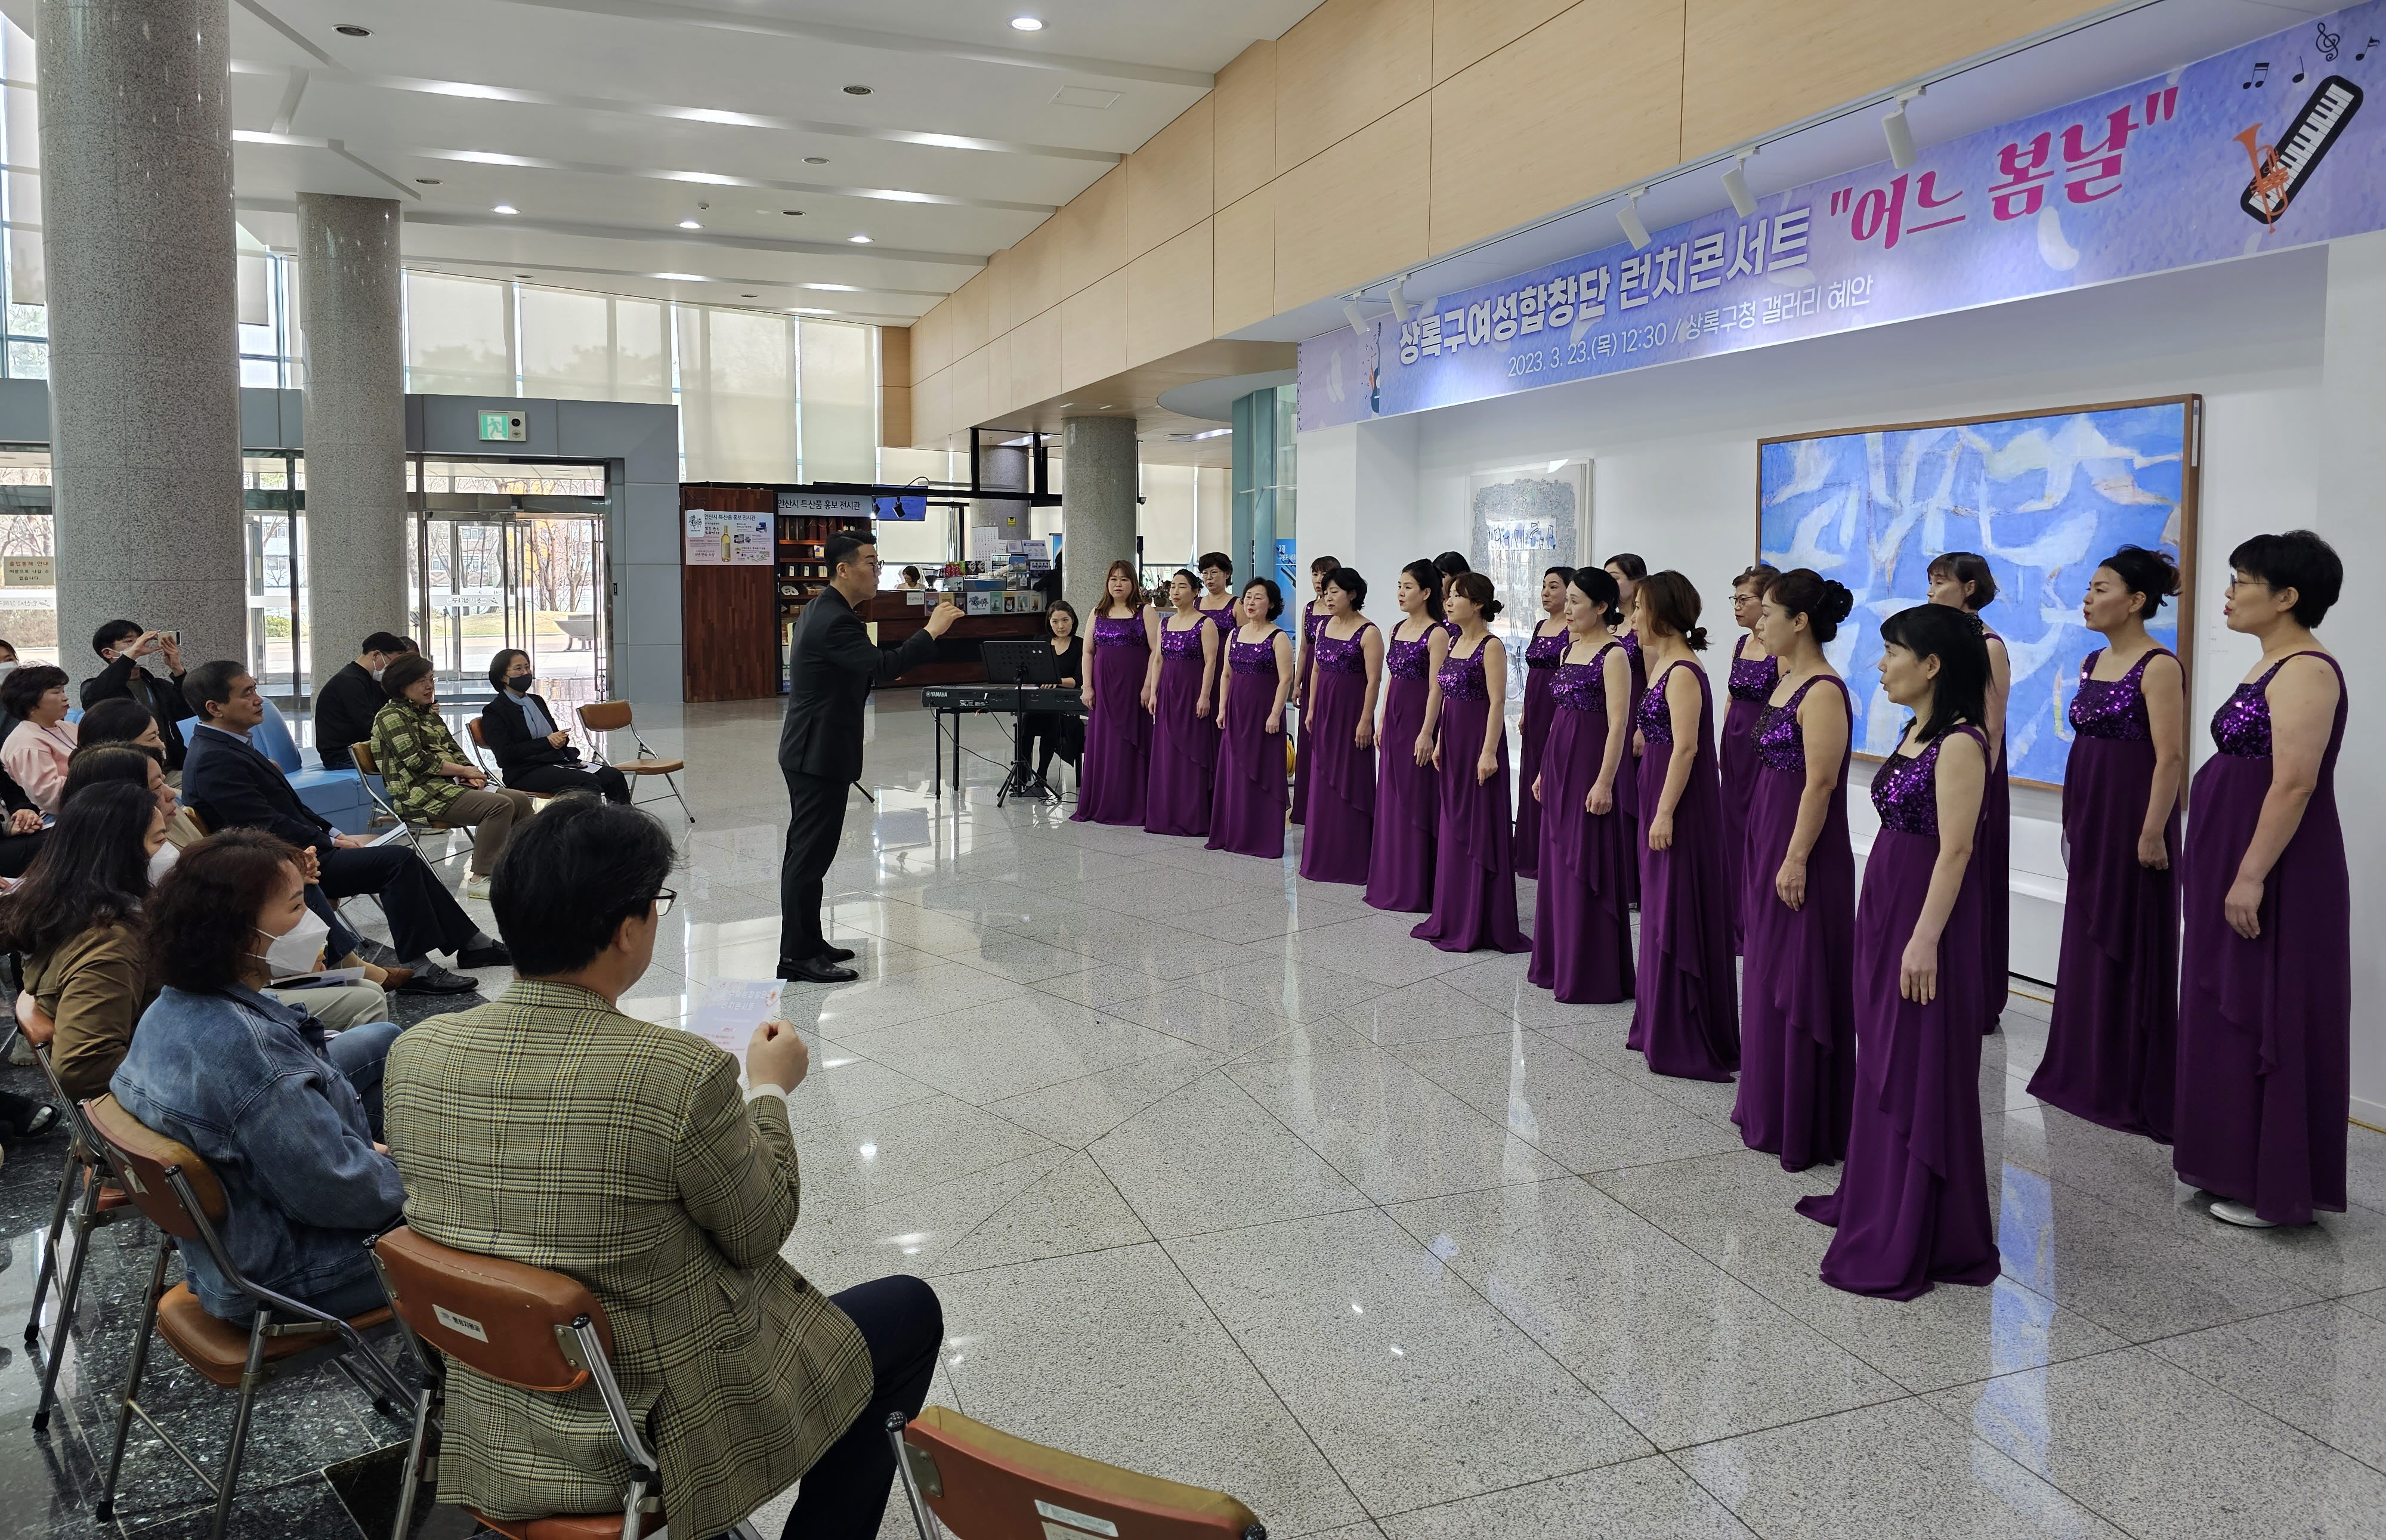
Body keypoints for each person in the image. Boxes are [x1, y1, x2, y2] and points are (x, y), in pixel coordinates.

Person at [384, 799, 943, 1540]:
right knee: (908, 1310)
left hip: (492, 1410)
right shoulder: (678, 1073)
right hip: (648, 1432)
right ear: (627, 928)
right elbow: (759, 1229)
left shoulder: (416, 1054)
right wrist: (769, 1088)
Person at [108, 828, 407, 1322]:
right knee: (512, 1215)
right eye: (295, 908)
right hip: (293, 1273)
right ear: (243, 934)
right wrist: (430, 1179)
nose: (313, 923)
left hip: (234, 1248)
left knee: (380, 1043)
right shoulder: (253, 1052)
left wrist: (347, 1149)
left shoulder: (175, 1002)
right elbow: (338, 1194)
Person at [1795, 604, 1996, 1300]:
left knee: (1917, 1056)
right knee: (1881, 1049)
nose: (1880, 664)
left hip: (1925, 918)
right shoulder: (1917, 732)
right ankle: (1876, 1195)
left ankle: (1921, 1221)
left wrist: (1924, 937)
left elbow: (1958, 849)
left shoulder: (1963, 742)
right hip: (1885, 903)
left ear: (1932, 664)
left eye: (1892, 652)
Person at [2174, 530, 2348, 1229]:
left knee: (2266, 1001)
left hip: (2277, 866)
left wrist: (2249, 875)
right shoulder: (2270, 663)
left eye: (2241, 578)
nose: (2228, 590)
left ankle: (2272, 1183)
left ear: (2286, 597)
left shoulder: (2307, 667)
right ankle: (2230, 1162)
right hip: (2238, 853)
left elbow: (2295, 781)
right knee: (2228, 1003)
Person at [181, 661, 499, 993]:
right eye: (247, 693)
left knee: (402, 860)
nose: (259, 699)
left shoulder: (230, 745)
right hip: (276, 863)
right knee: (396, 862)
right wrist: (328, 844)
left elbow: (292, 807)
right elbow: (262, 823)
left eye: (256, 688)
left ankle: (472, 943)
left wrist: (335, 835)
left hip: (295, 850)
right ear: (214, 707)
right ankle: (419, 967)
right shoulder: (214, 758)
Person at [2029, 547, 2185, 1142]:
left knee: (2130, 937)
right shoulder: (2094, 659)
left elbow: (2169, 755)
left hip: (2134, 819)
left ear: (2136, 600)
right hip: (2092, 815)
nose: (2087, 598)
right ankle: (2083, 1070)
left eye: (2099, 588)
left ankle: (2126, 1080)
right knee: (2089, 935)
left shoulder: (2158, 665)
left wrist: (2151, 829)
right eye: (2088, 588)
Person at [778, 531, 958, 982]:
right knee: (808, 857)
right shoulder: (835, 619)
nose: (878, 571)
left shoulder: (829, 610)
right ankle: (797, 956)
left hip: (815, 747)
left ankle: (808, 940)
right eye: (871, 562)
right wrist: (931, 631)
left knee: (810, 855)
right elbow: (883, 666)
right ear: (844, 569)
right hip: (816, 752)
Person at [1732, 570, 1856, 1170]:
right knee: (1765, 964)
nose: (1759, 621)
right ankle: (1767, 1097)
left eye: (1770, 612)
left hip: (1802, 844)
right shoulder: (1786, 681)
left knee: (1799, 971)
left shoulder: (1824, 689)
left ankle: (1805, 1114)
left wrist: (1796, 856)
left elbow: (1822, 781)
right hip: (1767, 829)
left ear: (1800, 620)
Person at [1627, 571, 1739, 1081]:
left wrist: (1666, 811)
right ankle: (1658, 1021)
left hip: (1680, 799)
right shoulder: (1662, 665)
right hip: (1657, 786)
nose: (1632, 618)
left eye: (1639, 609)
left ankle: (1685, 1030)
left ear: (1663, 614)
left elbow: (1689, 747)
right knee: (1657, 903)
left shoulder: (1684, 672)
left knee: (1675, 905)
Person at [5, 782, 160, 1100]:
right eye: (159, 840)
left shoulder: (64, 903)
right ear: (123, 851)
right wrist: (187, 1076)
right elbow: (84, 1068)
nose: (167, 849)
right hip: (149, 1103)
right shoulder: (110, 943)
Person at [1527, 567, 1634, 1003]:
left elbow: (1619, 724)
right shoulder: (1568, 650)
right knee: (1557, 860)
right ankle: (1557, 959)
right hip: (1559, 763)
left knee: (1585, 859)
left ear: (1602, 607)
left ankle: (1590, 969)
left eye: (1576, 601)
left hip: (1592, 766)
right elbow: (1557, 717)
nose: (1567, 609)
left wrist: (1606, 782)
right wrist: (1541, 770)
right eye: (1566, 599)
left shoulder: (1615, 655)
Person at [1413, 573, 1529, 954]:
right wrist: (1440, 740)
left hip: (1480, 745)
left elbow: (1498, 703)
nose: (1448, 602)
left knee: (1477, 827)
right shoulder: (1455, 641)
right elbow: (1446, 698)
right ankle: (1452, 913)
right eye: (1448, 596)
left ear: (1477, 604)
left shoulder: (1490, 646)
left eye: (1457, 597)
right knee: (1453, 824)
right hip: (1455, 744)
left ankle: (1481, 919)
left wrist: (1489, 752)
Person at [370, 655, 539, 902]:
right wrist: (463, 773)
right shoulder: (391, 716)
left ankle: (522, 866)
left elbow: (454, 751)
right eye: (421, 681)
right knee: (499, 806)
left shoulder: (427, 713)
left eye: (431, 679)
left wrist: (474, 774)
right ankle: (481, 877)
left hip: (450, 784)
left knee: (520, 800)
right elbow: (417, 761)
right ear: (402, 686)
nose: (430, 687)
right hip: (419, 793)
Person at [1926, 551, 2010, 1029]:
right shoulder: (1937, 638)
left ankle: (1975, 992)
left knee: (1969, 871)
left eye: (1941, 582)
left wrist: (1981, 796)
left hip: (1973, 774)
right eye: (1932, 582)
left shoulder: (1988, 645)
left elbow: (1991, 728)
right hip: (1933, 769)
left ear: (1970, 588)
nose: (1933, 590)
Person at [1365, 561, 1449, 915]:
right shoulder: (1397, 628)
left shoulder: (1439, 634)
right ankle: (1391, 880)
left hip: (1420, 720)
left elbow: (1437, 689)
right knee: (1392, 796)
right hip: (1396, 718)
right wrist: (1381, 719)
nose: (1400, 593)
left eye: (1408, 587)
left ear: (1426, 593)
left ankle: (1418, 886)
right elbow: (1390, 682)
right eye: (1399, 586)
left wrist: (1428, 732)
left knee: (1417, 798)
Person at [1298, 567, 1380, 885]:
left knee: (1351, 780)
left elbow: (1374, 680)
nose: (1328, 597)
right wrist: (1311, 708)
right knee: (1323, 779)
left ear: (1353, 595)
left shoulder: (1369, 632)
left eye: (1335, 592)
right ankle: (1324, 856)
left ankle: (1353, 859)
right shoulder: (1325, 626)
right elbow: (1316, 671)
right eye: (1326, 592)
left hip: (1352, 713)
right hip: (1325, 711)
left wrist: (1365, 720)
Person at [1206, 578, 1294, 859]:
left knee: (1262, 771)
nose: (1251, 602)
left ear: (1271, 604)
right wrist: (1222, 709)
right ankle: (1234, 833)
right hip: (1236, 710)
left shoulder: (1278, 637)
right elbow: (1226, 675)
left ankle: (1262, 838)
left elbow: (1286, 679)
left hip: (1264, 714)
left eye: (1258, 597)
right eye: (1248, 597)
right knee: (1235, 772)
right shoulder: (1235, 634)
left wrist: (1275, 714)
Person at [1719, 564, 1782, 951]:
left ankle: (1755, 920)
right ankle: (1731, 918)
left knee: (1759, 829)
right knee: (1733, 830)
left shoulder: (1781, 652)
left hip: (1764, 747)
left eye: (1746, 599)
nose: (1738, 607)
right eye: (1735, 599)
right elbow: (1730, 697)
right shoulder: (1741, 645)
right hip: (1735, 744)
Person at [480, 649, 632, 804]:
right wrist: (547, 742)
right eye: (518, 669)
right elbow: (505, 755)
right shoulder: (495, 711)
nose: (525, 673)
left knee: (614, 776)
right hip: (524, 771)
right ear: (502, 677)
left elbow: (553, 735)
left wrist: (560, 740)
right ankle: (590, 826)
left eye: (527, 667)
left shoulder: (536, 701)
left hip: (556, 761)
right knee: (588, 782)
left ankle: (625, 825)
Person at [1073, 559, 1158, 828]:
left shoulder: (1144, 612)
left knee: (1134, 745)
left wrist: (1149, 686)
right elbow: (1088, 652)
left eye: (1124, 579)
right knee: (1106, 746)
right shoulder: (1097, 612)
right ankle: (1105, 803)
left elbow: (1157, 652)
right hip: (1104, 690)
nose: (1118, 584)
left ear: (1133, 583)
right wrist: (1087, 686)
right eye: (1113, 580)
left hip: (1135, 690)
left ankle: (1136, 805)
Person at [1144, 573, 1219, 838]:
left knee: (1192, 752)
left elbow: (1211, 662)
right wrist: (1154, 693)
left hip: (1192, 693)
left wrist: (1205, 696)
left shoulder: (1206, 624)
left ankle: (1193, 817)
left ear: (1195, 592)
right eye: (1173, 586)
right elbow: (1158, 661)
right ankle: (1167, 815)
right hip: (1168, 692)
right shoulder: (1165, 624)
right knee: (1167, 753)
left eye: (1182, 587)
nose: (1175, 591)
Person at [1513, 565, 1573, 879]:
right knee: (1531, 772)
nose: (1546, 593)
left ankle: (1550, 851)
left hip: (1558, 705)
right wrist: (1524, 710)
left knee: (1552, 772)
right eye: (1544, 587)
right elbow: (1531, 675)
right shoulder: (1539, 626)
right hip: (1535, 704)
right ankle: (1527, 849)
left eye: (1554, 587)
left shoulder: (1573, 629)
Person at [82, 620, 194, 771]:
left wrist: (178, 670)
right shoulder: (95, 687)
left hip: (169, 768)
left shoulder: (157, 685)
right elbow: (94, 699)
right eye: (130, 641)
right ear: (108, 653)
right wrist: (131, 655)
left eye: (141, 640)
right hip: (130, 771)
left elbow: (188, 710)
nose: (141, 646)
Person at [1604, 552, 1651, 884]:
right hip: (1603, 717)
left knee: (1629, 796)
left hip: (1632, 716)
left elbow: (1653, 682)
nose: (1611, 582)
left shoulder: (1644, 627)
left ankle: (1632, 879)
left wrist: (1642, 729)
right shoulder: (1609, 622)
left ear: (1636, 583)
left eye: (1617, 577)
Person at [1289, 553, 1339, 827]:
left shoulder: (1339, 607)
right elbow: (1305, 648)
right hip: (1310, 675)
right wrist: (1297, 683)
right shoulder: (1309, 608)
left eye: (1324, 574)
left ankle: (1327, 800)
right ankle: (1305, 805)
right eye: (1314, 574)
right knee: (1308, 734)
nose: (1318, 580)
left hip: (1333, 676)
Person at [314, 632, 412, 770]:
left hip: (361, 749)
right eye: (392, 664)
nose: (393, 670)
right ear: (377, 655)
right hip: (344, 756)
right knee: (412, 763)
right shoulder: (350, 682)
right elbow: (369, 726)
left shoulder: (369, 679)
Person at [1015, 599, 1084, 795]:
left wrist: (1056, 680)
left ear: (1073, 621)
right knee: (1026, 722)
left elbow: (1078, 680)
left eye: (1065, 620)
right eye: (1055, 621)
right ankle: (1022, 775)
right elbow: (1030, 672)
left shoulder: (1080, 644)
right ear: (1049, 622)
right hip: (1039, 700)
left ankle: (1041, 775)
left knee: (1052, 720)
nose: (1061, 626)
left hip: (1066, 705)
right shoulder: (1041, 641)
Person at [1, 665, 79, 815]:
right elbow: (51, 798)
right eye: (56, 692)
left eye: (63, 691)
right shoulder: (25, 743)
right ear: (31, 703)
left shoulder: (67, 727)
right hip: (57, 818)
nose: (65, 697)